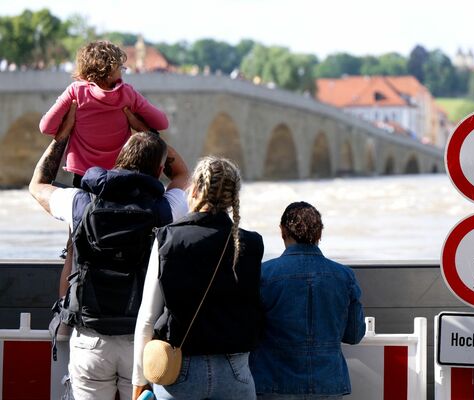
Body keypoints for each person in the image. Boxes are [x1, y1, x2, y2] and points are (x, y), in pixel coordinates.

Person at [29, 128, 190, 400]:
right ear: (159, 168)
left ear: (119, 158)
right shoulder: (166, 209)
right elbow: (183, 174)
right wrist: (144, 128)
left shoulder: (81, 203)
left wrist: (62, 137)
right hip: (141, 339)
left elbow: (38, 184)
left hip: (91, 337)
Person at [133, 157, 264, 400]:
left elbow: (147, 318)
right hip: (234, 370)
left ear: (194, 188)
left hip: (179, 369)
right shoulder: (252, 243)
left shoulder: (168, 238)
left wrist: (139, 381)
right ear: (233, 195)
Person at [250, 202, 366, 400]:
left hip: (273, 383)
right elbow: (354, 335)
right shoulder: (344, 276)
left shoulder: (263, 275)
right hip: (328, 384)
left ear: (282, 230)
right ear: (319, 233)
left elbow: (249, 333)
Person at [39, 40, 169, 187]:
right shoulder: (127, 94)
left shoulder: (76, 92)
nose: (123, 71)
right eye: (121, 67)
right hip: (118, 173)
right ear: (111, 70)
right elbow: (162, 123)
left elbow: (46, 127)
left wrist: (68, 125)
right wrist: (137, 121)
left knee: (85, 209)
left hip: (83, 174)